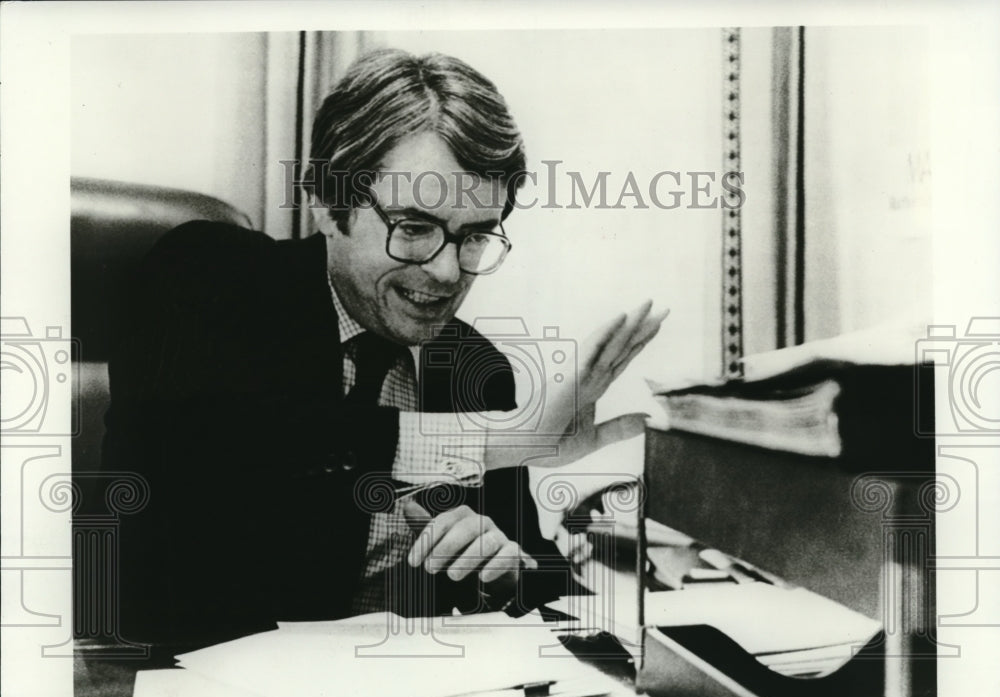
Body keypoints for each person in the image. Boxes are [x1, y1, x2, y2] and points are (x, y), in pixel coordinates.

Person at [102, 49, 665, 646]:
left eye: (474, 236)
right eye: (415, 228)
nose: (448, 272)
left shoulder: (474, 368)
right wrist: (496, 441)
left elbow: (544, 586)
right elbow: (226, 436)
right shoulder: (206, 277)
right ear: (326, 202)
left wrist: (509, 577)